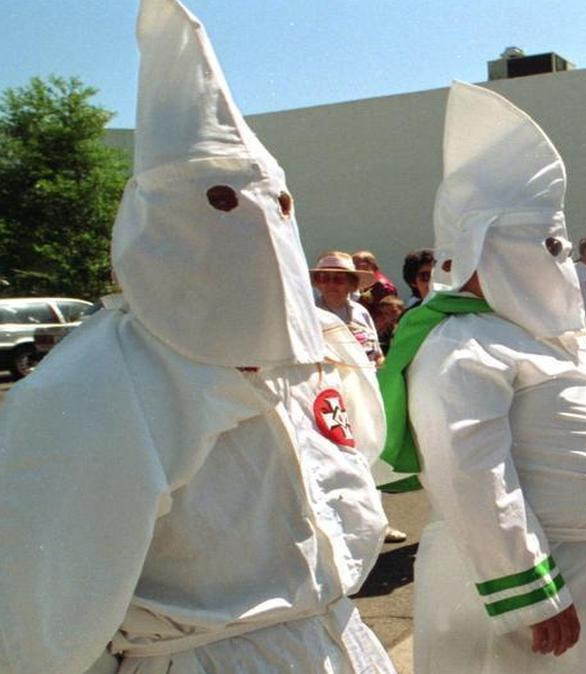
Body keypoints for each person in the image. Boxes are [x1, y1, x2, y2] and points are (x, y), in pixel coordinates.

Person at [0, 1, 395, 671]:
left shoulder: (313, 354)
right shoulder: (93, 386)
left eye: (278, 206)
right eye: (219, 203)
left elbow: (354, 464)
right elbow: (37, 608)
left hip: (338, 636)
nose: (258, 231)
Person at [383, 81, 586, 674]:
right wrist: (530, 591)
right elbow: (469, 471)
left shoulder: (542, 334)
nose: (556, 258)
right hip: (555, 589)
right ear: (483, 247)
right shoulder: (459, 342)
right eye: (542, 242)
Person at [312, 250, 385, 366]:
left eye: (339, 279)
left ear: (352, 284)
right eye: (324, 278)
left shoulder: (361, 312)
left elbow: (377, 354)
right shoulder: (310, 313)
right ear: (317, 282)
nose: (331, 284)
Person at [352, 249, 399, 322]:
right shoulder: (363, 283)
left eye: (359, 265)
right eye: (353, 265)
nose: (355, 268)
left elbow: (387, 316)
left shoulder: (383, 287)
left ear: (373, 266)